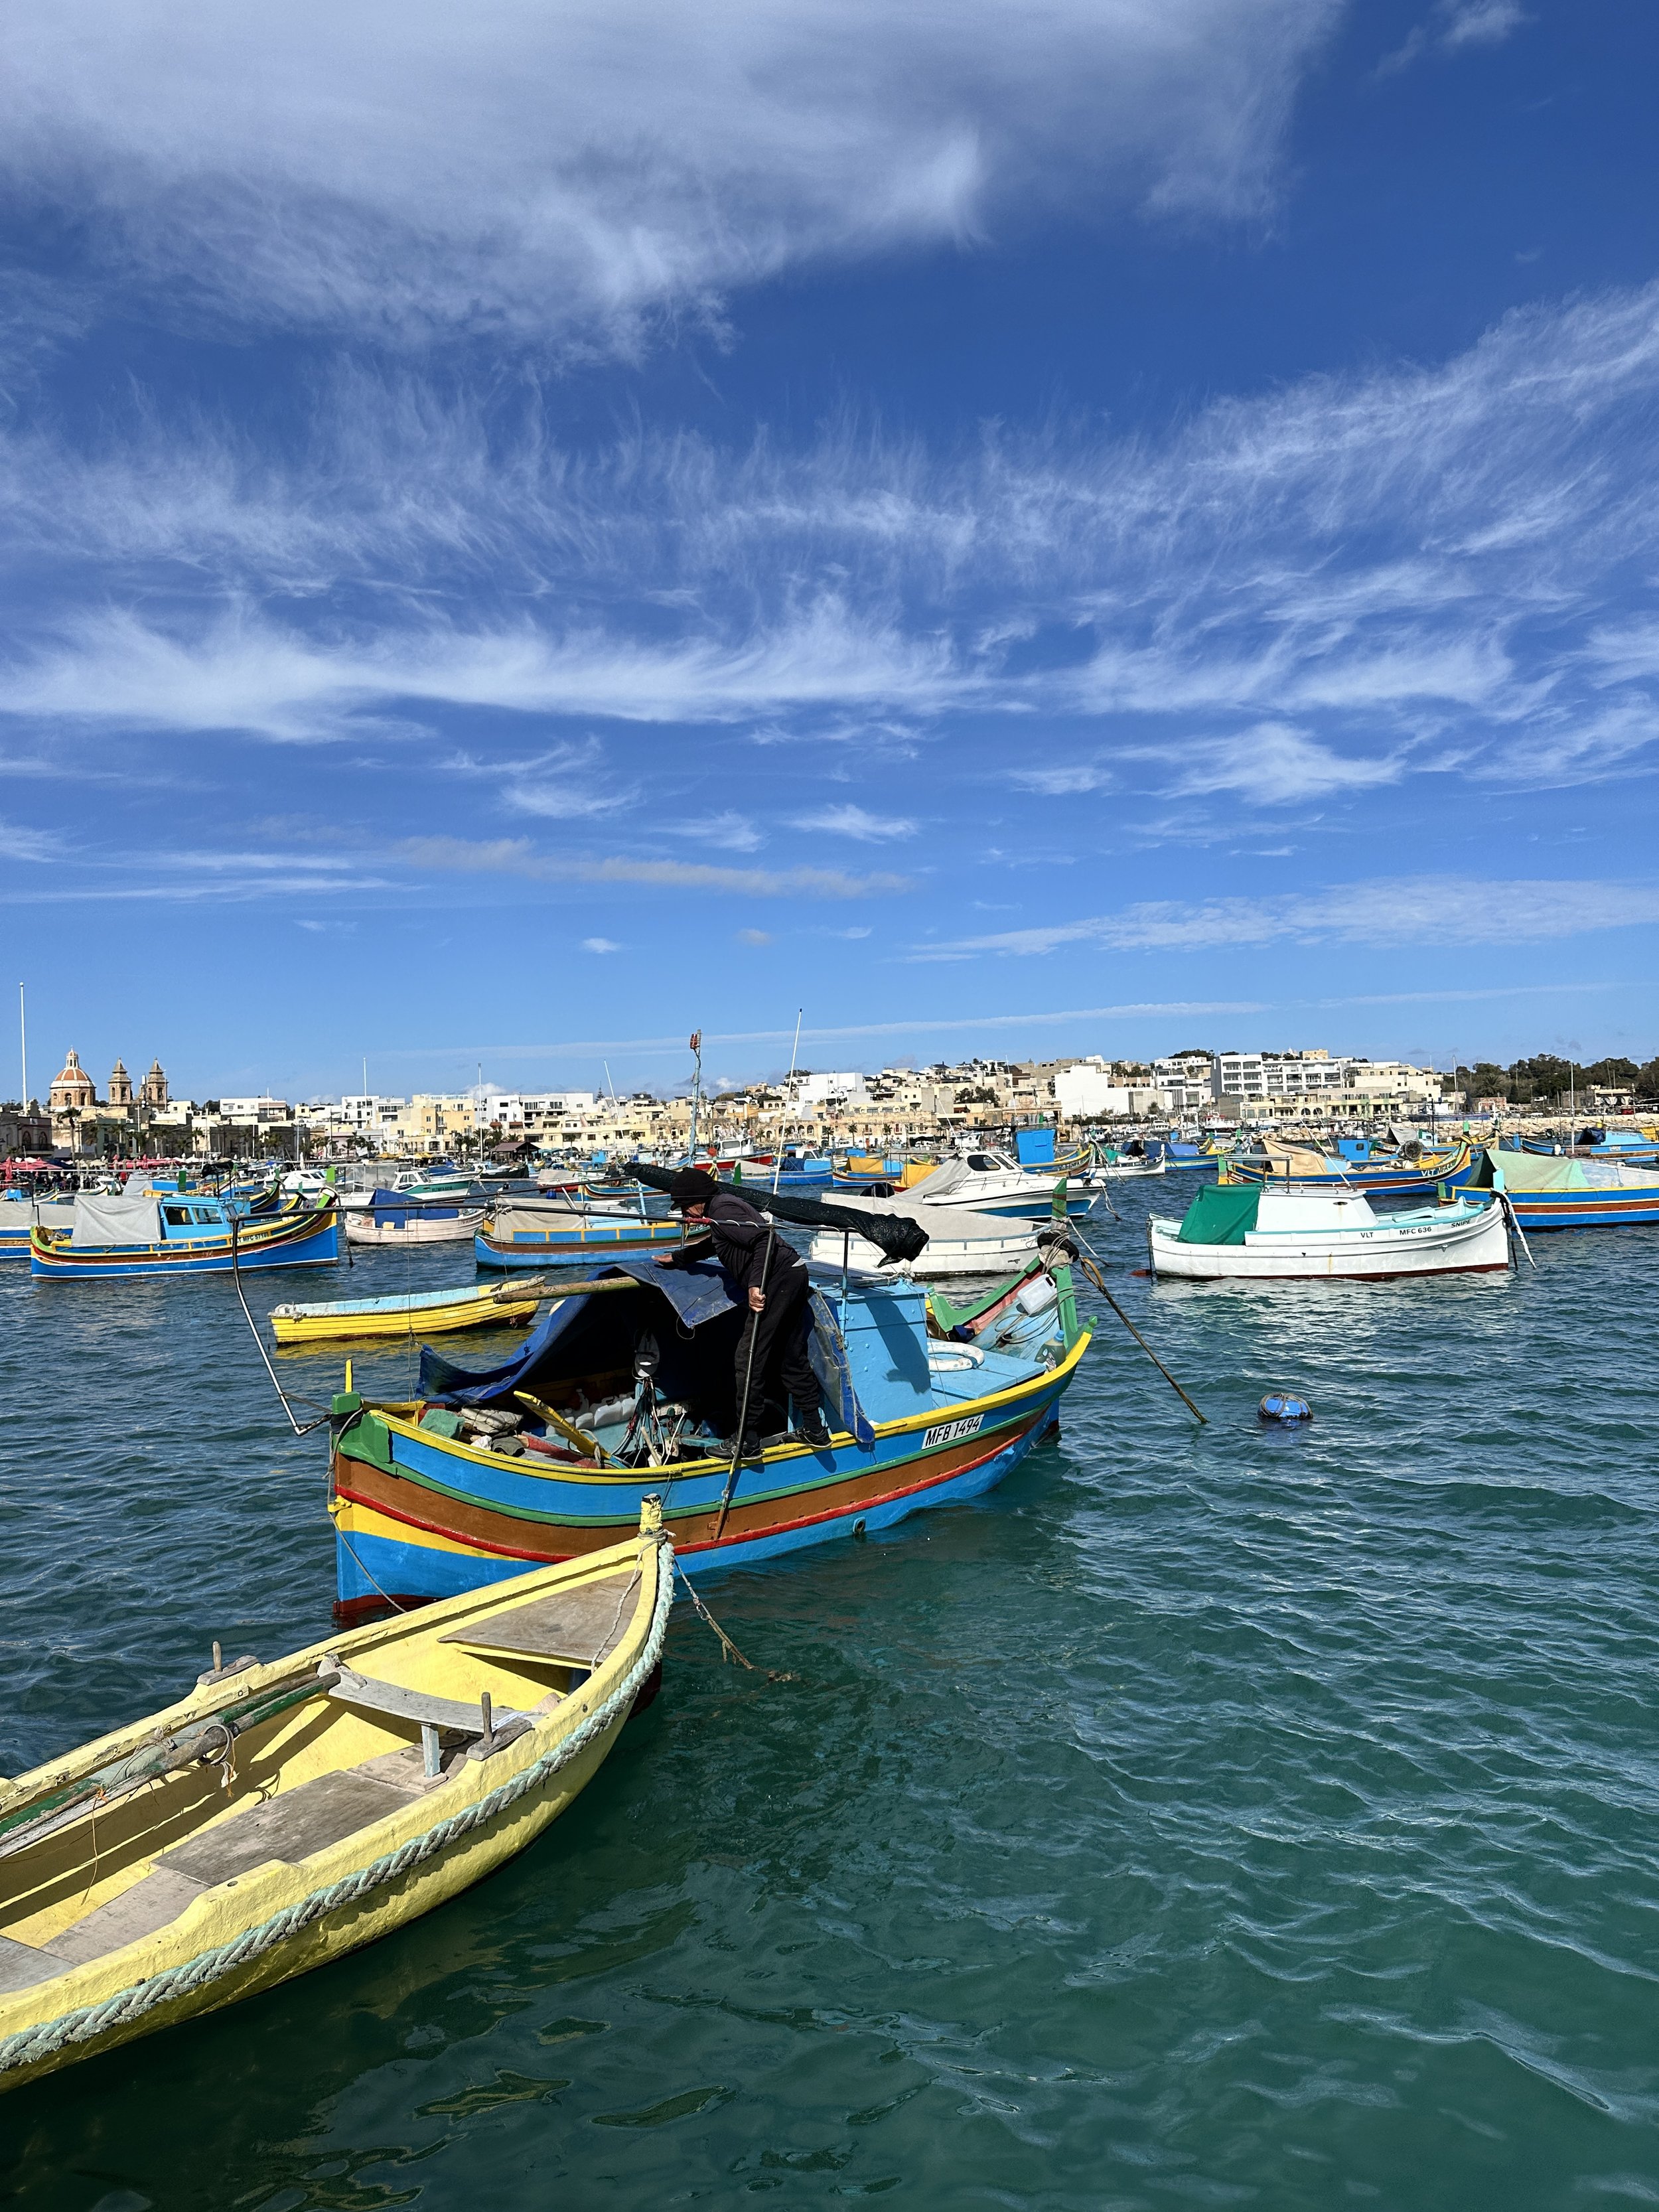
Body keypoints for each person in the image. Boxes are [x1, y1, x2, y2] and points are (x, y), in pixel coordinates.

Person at [658, 1168, 831, 1453]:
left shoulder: (723, 1206)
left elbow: (764, 1238)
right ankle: (815, 1429)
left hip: (777, 1279)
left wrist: (755, 1286)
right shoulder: (720, 1211)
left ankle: (747, 1440)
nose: (686, 1215)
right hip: (791, 1275)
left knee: (749, 1357)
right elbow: (715, 1242)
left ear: (697, 1198)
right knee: (790, 1357)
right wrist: (678, 1258)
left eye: (685, 1206)